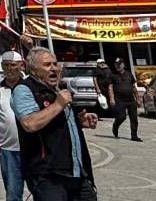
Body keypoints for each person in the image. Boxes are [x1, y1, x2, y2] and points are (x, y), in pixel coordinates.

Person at [12, 47, 97, 201]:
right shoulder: (24, 90)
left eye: (55, 64)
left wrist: (79, 122)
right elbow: (30, 123)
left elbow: (56, 122)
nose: (54, 68)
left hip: (77, 171)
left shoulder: (57, 90)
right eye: (47, 65)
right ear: (33, 69)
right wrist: (58, 104)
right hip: (48, 174)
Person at [0, 51, 26, 201]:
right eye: (6, 65)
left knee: (41, 190)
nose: (9, 69)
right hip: (8, 149)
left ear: (21, 65)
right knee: (13, 191)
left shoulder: (29, 85)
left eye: (13, 65)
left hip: (32, 148)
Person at [108, 60, 141, 142]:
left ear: (123, 65)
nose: (118, 66)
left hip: (131, 99)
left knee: (134, 118)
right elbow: (110, 87)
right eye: (116, 64)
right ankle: (115, 126)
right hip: (119, 100)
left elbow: (134, 87)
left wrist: (138, 99)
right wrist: (111, 98)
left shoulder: (129, 74)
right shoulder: (113, 75)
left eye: (119, 64)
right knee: (121, 117)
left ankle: (134, 136)